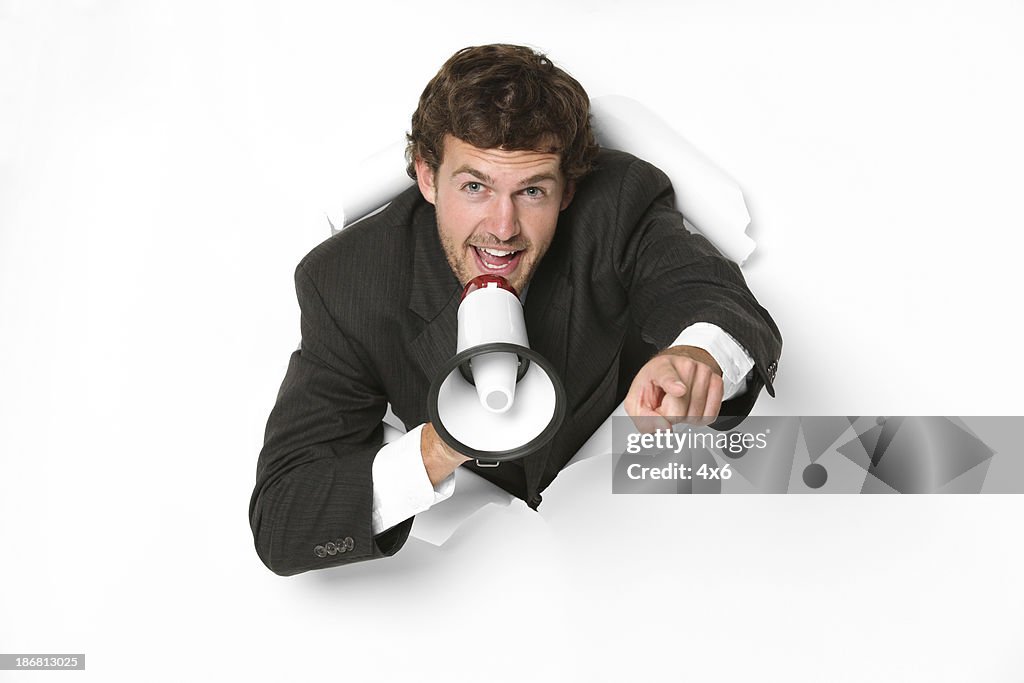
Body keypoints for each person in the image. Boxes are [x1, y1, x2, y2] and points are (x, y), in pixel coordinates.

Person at [250, 44, 782, 576]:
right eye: (475, 186)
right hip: (479, 562)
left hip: (642, 504)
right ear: (428, 177)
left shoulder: (616, 202)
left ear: (567, 189)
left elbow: (707, 290)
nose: (503, 228)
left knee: (838, 480)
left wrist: (695, 355)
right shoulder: (347, 281)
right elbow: (281, 523)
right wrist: (440, 447)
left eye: (531, 191)